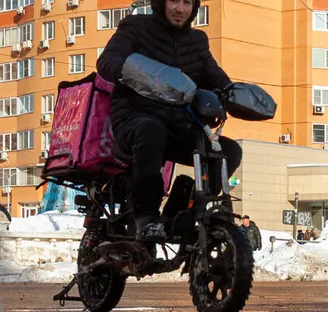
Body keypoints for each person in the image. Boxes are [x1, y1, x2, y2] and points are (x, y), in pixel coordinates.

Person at [97, 0, 241, 244]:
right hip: (134, 120)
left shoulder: (197, 41)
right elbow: (107, 61)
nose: (180, 8)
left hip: (178, 126)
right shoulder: (136, 26)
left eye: (187, 2)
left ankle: (185, 213)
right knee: (151, 131)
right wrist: (132, 71)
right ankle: (147, 218)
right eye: (174, 0)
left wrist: (232, 92)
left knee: (229, 150)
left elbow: (213, 75)